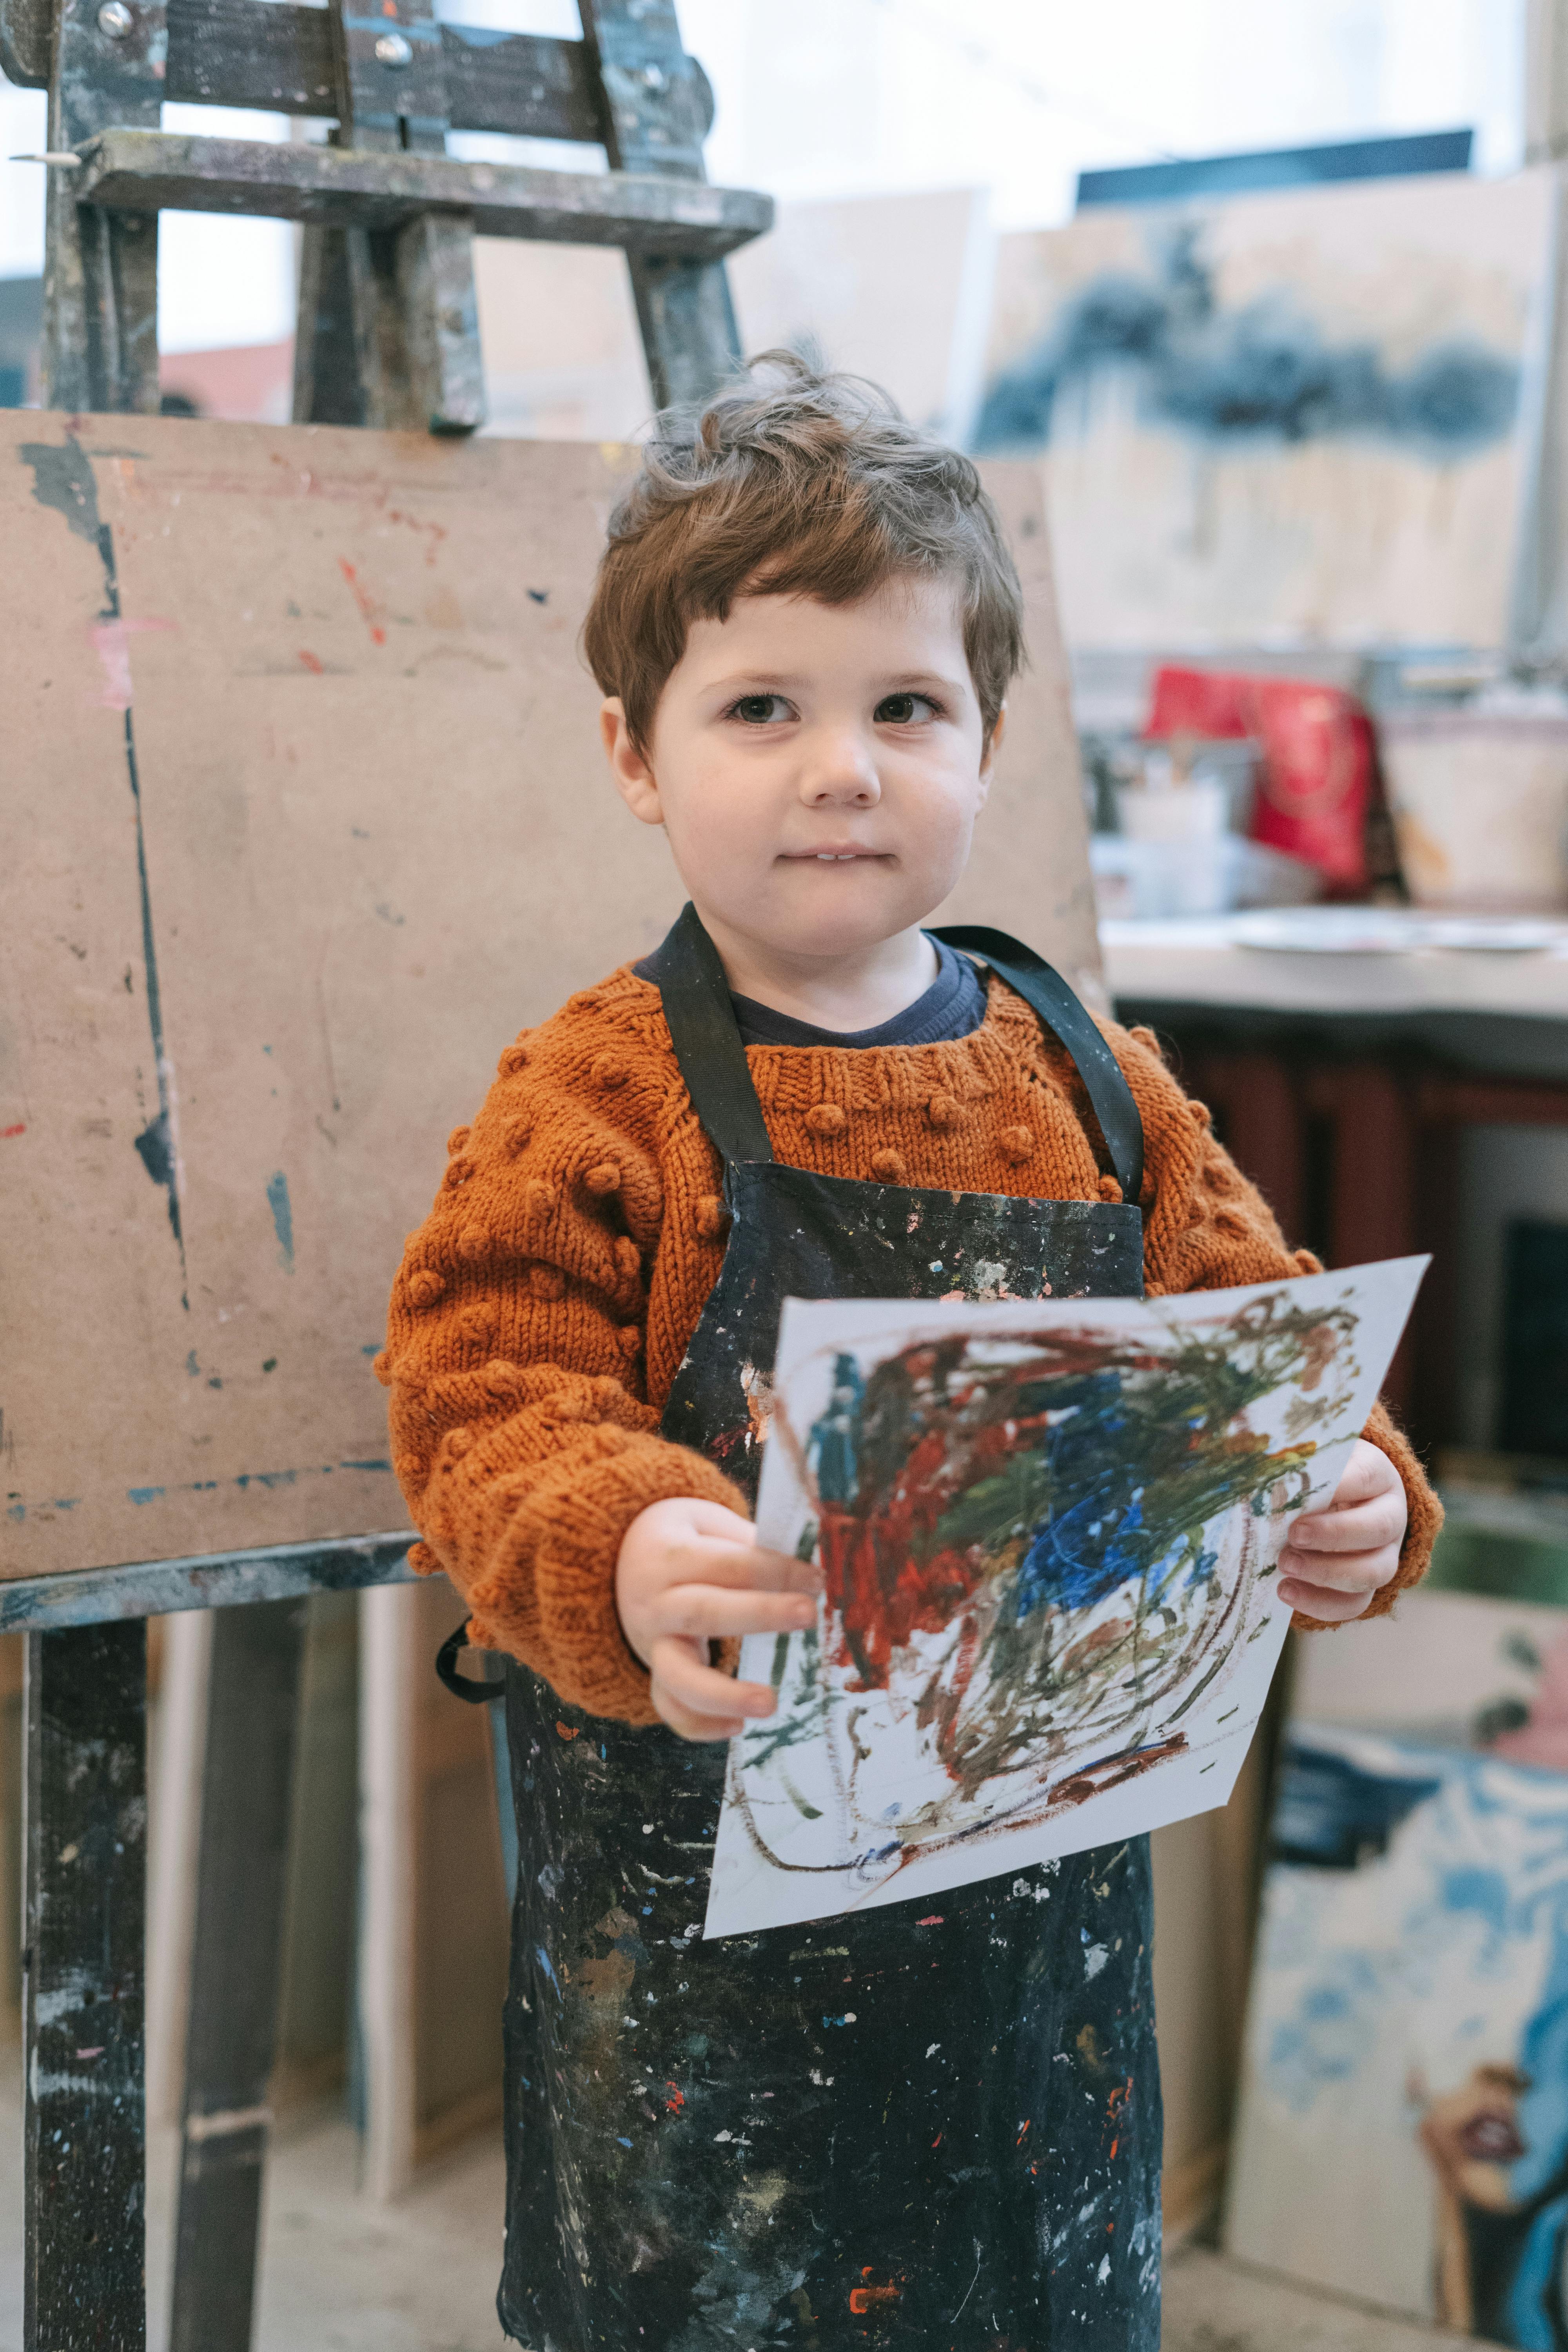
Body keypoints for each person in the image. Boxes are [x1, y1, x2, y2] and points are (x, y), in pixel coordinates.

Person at [381, 353, 1442, 2350]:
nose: (839, 767)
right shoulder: (596, 1097)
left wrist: (1352, 1492)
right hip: (699, 1966)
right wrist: (608, 1542)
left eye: (902, 709)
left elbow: (1264, 1345)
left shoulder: (1096, 1083)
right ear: (634, 752)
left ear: (990, 740)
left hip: (1038, 1962)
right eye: (759, 708)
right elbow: (479, 1388)